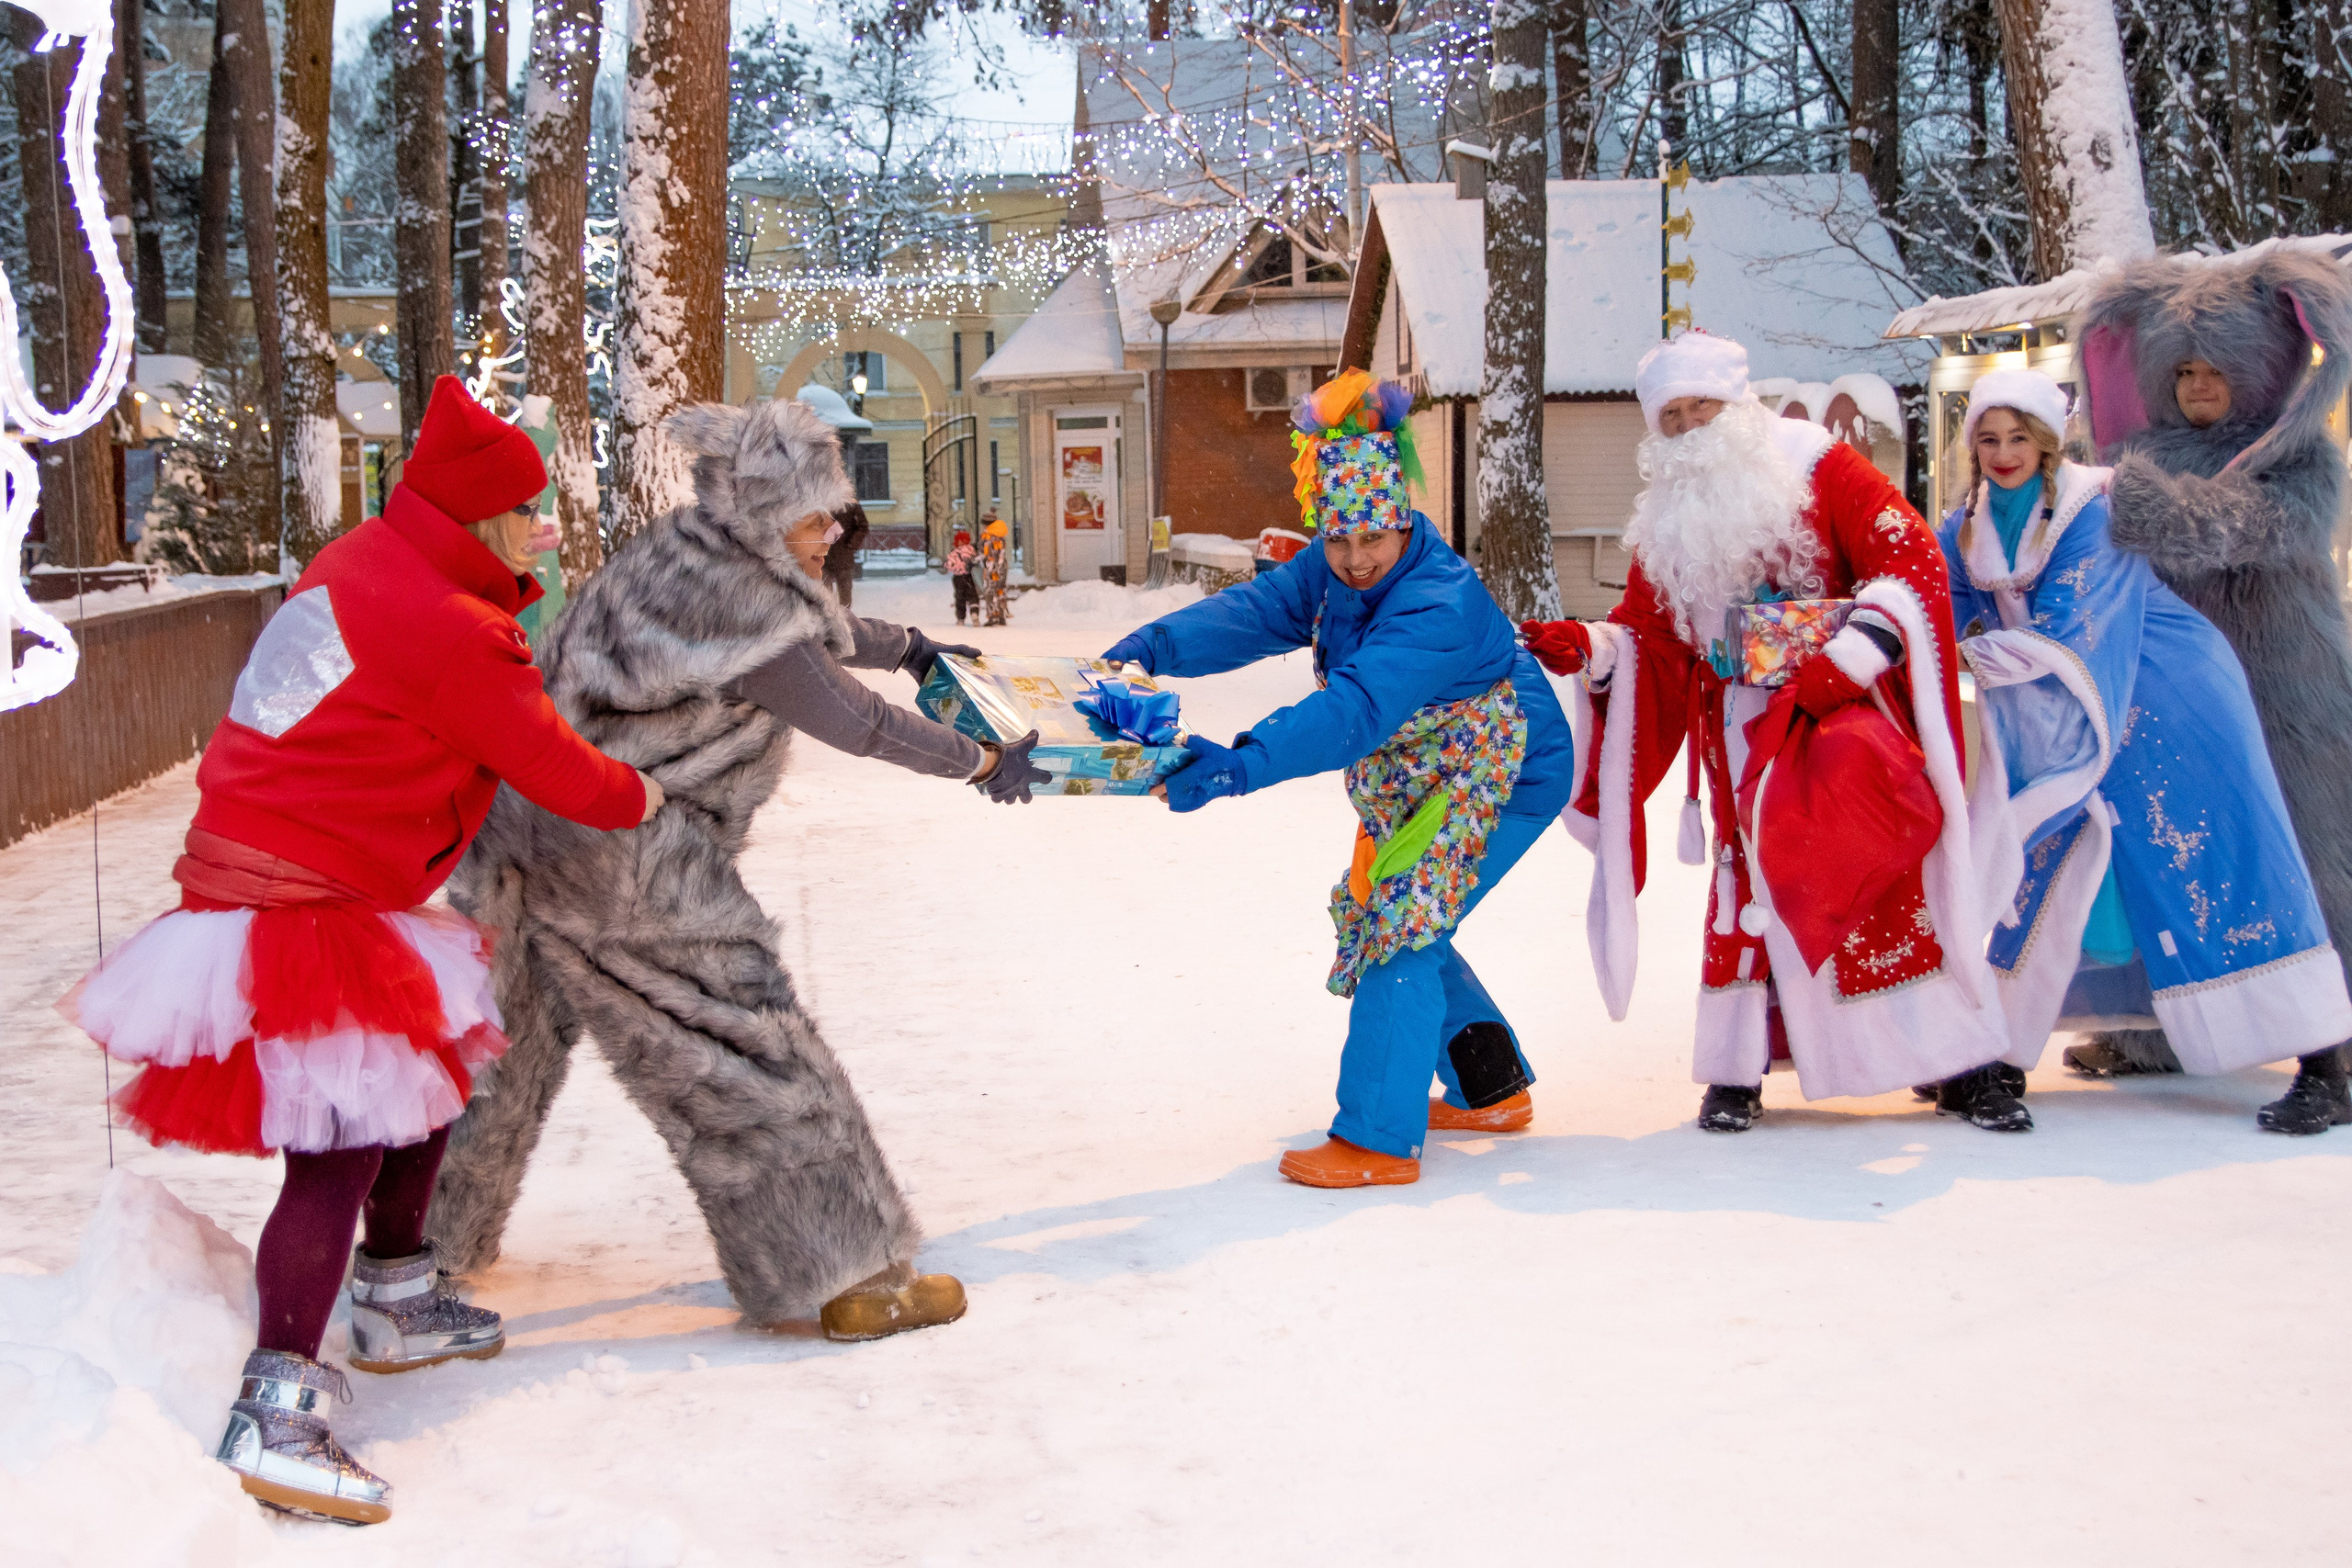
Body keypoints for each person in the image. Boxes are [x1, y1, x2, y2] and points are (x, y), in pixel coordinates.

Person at [56, 377, 660, 1526]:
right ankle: (273, 1409)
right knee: (336, 1143)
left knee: (415, 1092)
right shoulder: (449, 624)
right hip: (312, 895)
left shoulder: (364, 564)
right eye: (525, 512)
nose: (541, 529)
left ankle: (395, 1294)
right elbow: (553, 770)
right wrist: (648, 794)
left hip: (292, 866)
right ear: (480, 520)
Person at [425, 396, 1049, 1349]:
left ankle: (421, 1253)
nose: (831, 531)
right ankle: (837, 1271)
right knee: (742, 1044)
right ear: (761, 518)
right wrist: (982, 761)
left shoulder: (689, 553)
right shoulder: (742, 597)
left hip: (524, 829)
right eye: (813, 516)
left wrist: (911, 644)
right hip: (623, 851)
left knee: (496, 1049)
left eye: (832, 510)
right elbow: (851, 718)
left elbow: (811, 635)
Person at [1521, 332, 2017, 1133]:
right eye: (1669, 417)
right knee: (1749, 897)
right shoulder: (1669, 522)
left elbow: (1913, 558)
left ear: (1737, 405)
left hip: (1842, 725)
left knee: (1881, 883)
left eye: (1700, 408)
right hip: (1739, 744)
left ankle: (1954, 1062)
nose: (1686, 429)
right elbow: (1652, 635)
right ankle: (1739, 1066)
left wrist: (1852, 659)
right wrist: (1596, 650)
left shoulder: (1819, 465)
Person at [1100, 372, 1576, 1187]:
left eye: (1374, 540)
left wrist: (1243, 763)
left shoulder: (1439, 600)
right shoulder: (1330, 570)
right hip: (1421, 772)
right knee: (1388, 903)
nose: (1355, 561)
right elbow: (1252, 614)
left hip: (1501, 771)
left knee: (1402, 920)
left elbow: (1355, 708)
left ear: (1405, 523)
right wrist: (1146, 648)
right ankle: (1488, 1086)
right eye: (1338, 539)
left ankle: (1376, 1139)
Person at [1939, 368, 2352, 1098]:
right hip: (2071, 705)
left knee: (2227, 864)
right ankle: (1995, 1053)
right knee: (2048, 863)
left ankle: (2325, 1066)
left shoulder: (2092, 509)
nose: (2005, 453)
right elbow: (1938, 602)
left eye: (2019, 438)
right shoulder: (1965, 525)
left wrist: (1968, 651)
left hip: (2173, 697)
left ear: (2045, 443)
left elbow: (2079, 625)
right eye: (1990, 439)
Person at [2078, 249, 2352, 1133]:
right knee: (2174, 845)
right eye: (2185, 371)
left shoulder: (2301, 456)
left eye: (2218, 371)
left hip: (2287, 686)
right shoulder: (2142, 456)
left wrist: (2155, 510)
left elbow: (2253, 525)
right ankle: (2158, 1024)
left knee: (2310, 851)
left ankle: (2334, 1044)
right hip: (2180, 690)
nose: (2200, 387)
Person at [822, 497, 870, 608]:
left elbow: (863, 526)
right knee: (823, 593)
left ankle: (846, 619)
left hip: (843, 554)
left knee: (845, 593)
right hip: (824, 554)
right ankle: (826, 619)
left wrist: (851, 544)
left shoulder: (850, 502)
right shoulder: (822, 499)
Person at [977, 509, 1011, 626]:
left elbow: (983, 552)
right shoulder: (1000, 535)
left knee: (990, 591)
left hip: (991, 567)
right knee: (1000, 590)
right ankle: (1001, 616)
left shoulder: (987, 536)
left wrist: (974, 559)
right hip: (1002, 567)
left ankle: (993, 616)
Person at [946, 525, 978, 626]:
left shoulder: (955, 553)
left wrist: (948, 566)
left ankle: (961, 618)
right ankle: (974, 612)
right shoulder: (971, 550)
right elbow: (976, 562)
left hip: (958, 578)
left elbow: (950, 565)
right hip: (969, 577)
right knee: (973, 595)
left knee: (960, 597)